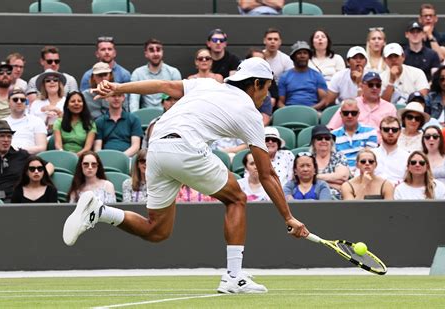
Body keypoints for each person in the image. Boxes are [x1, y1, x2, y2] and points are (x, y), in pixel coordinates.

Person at [63, 57, 310, 294]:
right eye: (266, 87)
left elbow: (163, 86)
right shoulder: (251, 114)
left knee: (156, 231)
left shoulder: (208, 84)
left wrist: (118, 87)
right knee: (236, 198)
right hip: (185, 147)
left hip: (156, 147)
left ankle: (99, 211)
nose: (267, 95)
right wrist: (288, 217)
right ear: (256, 83)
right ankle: (234, 277)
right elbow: (267, 175)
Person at [0, 120, 53, 202]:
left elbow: (49, 166)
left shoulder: (21, 155)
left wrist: (36, 177)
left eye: (9, 136)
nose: (6, 139)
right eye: (2, 136)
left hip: (16, 203)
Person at [327, 72, 397, 141]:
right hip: (353, 145)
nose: (375, 88)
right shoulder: (351, 105)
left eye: (378, 85)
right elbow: (332, 128)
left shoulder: (390, 108)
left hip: (380, 147)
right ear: (362, 86)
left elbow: (396, 132)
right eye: (371, 85)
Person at [129, 38, 182, 111]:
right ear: (146, 54)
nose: (155, 53)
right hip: (145, 116)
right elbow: (134, 101)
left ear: (162, 52)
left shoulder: (173, 72)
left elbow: (178, 101)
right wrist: (135, 119)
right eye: (151, 50)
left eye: (158, 49)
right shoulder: (138, 73)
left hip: (167, 116)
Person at [277, 41, 327, 110]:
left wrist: (310, 110)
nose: (302, 56)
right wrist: (288, 111)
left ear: (309, 56)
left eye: (305, 53)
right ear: (293, 57)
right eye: (299, 53)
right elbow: (280, 102)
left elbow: (324, 100)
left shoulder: (317, 76)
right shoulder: (284, 77)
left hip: (312, 111)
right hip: (290, 111)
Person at [331, 99, 378, 171]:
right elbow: (334, 160)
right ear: (341, 114)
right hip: (341, 172)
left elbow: (369, 158)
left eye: (353, 113)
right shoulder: (333, 135)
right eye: (346, 113)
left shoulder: (370, 132)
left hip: (363, 171)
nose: (350, 116)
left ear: (358, 114)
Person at [94, 93, 143, 157]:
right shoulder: (99, 121)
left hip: (128, 158)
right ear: (106, 98)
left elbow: (136, 146)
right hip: (106, 158)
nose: (116, 99)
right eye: (113, 96)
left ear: (123, 98)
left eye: (119, 95)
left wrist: (120, 157)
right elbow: (97, 147)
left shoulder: (134, 119)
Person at [310, 125, 350, 199]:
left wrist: (314, 177)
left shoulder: (339, 157)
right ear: (313, 142)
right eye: (319, 138)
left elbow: (343, 177)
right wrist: (334, 183)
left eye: (327, 138)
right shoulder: (308, 158)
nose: (324, 141)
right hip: (312, 197)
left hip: (337, 199)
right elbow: (302, 180)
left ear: (331, 142)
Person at [4, 88, 47, 154]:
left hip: (30, 157)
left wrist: (17, 151)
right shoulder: (2, 123)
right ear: (8, 102)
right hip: (7, 157)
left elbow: (42, 147)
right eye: (15, 99)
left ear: (26, 103)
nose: (19, 102)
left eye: (22, 100)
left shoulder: (37, 121)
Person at [53, 91, 96, 156]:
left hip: (82, 157)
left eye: (79, 101)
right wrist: (65, 155)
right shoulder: (59, 122)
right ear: (67, 105)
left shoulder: (91, 123)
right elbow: (58, 145)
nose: (76, 103)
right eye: (73, 101)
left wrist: (75, 156)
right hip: (62, 155)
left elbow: (87, 148)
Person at [373, 116, 409, 185]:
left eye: (394, 130)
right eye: (386, 129)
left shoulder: (407, 157)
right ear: (380, 131)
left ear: (399, 132)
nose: (390, 132)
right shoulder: (370, 154)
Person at [422, 125, 445, 191]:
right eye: (427, 137)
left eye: (435, 136)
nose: (431, 139)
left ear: (440, 139)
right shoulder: (418, 159)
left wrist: (437, 190)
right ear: (423, 140)